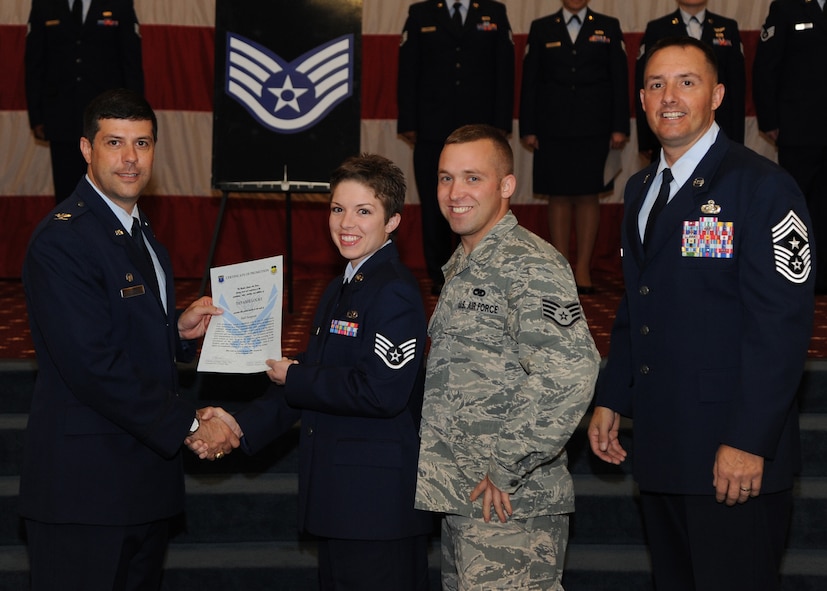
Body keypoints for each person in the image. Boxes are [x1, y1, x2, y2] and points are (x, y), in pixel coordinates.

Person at [589, 37, 814, 591]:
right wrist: (613, 395)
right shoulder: (642, 187)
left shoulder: (763, 187)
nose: (670, 96)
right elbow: (637, 306)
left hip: (731, 456)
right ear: (641, 99)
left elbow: (780, 330)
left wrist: (748, 439)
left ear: (716, 96)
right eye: (656, 84)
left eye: (686, 82)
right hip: (663, 449)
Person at [20, 88, 239, 591]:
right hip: (83, 493)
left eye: (142, 144)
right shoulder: (62, 240)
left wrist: (178, 333)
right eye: (114, 142)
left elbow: (126, 336)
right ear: (85, 149)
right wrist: (190, 422)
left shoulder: (146, 239)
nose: (129, 158)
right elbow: (92, 365)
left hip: (143, 488)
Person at [194, 154, 433, 591]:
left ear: (393, 222)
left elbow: (382, 393)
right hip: (346, 504)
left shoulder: (394, 290)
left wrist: (297, 376)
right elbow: (312, 380)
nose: (347, 223)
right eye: (338, 208)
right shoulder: (343, 284)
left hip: (377, 511)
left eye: (364, 211)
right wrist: (237, 424)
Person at [414, 124, 600, 590]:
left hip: (512, 508)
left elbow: (571, 370)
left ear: (506, 186)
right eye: (445, 178)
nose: (455, 192)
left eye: (472, 178)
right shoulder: (464, 264)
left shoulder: (529, 263)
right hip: (465, 501)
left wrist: (506, 467)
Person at [397, 0, 514, 294]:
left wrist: (501, 123)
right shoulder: (420, 12)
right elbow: (408, 69)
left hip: (482, 129)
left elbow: (505, 68)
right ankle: (439, 273)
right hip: (432, 127)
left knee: (481, 200)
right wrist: (409, 122)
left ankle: (482, 266)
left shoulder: (494, 11)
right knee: (437, 202)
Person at [519, 0, 629, 294]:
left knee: (587, 194)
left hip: (595, 126)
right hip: (551, 125)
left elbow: (620, 78)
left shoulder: (608, 26)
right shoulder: (541, 28)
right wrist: (528, 127)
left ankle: (582, 268)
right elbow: (530, 80)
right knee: (559, 195)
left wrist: (620, 125)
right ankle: (562, 266)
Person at [25, 0, 144, 204]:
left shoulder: (120, 4)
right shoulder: (44, 5)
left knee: (110, 192)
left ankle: (109, 237)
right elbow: (34, 64)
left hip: (109, 120)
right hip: (61, 118)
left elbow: (131, 65)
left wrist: (134, 117)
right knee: (67, 195)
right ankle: (67, 237)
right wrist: (37, 117)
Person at [753, 0, 827, 293]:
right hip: (800, 126)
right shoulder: (787, 7)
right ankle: (795, 273)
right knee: (797, 207)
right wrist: (769, 119)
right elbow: (766, 67)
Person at [636, 0, 745, 161]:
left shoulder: (727, 27)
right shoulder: (657, 28)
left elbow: (737, 87)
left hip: (720, 126)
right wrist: (646, 142)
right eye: (660, 85)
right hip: (668, 133)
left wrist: (737, 139)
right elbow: (645, 83)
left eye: (687, 83)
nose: (668, 97)